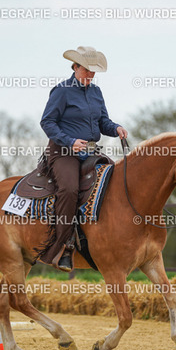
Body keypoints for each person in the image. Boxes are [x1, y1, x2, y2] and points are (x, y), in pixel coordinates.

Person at [40, 46, 128, 271]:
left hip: (90, 151)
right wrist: (70, 141)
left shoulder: (96, 92)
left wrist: (115, 128)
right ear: (75, 66)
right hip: (63, 152)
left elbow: (103, 122)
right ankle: (64, 246)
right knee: (70, 189)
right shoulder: (62, 91)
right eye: (87, 70)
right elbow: (47, 122)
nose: (91, 74)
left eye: (93, 71)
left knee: (116, 180)